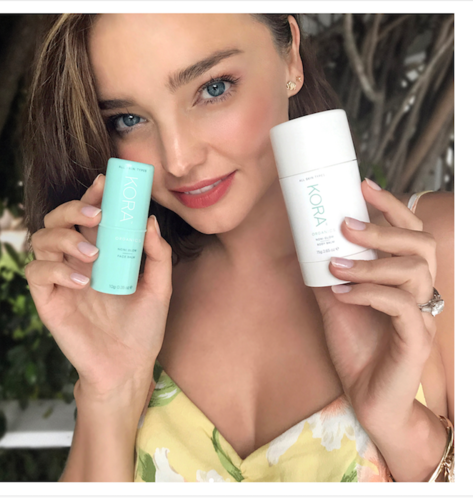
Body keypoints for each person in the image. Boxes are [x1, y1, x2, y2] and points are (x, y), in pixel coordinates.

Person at [22, 14, 454, 482]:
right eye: (129, 119)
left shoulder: (438, 251)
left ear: (290, 56)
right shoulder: (127, 303)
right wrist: (111, 390)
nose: (179, 159)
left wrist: (402, 426)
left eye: (213, 89)